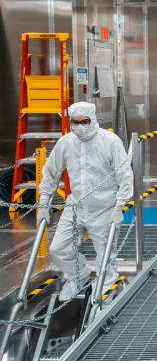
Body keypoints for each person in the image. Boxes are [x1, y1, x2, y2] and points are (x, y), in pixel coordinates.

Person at [38, 102, 133, 301]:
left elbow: (125, 175)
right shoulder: (66, 142)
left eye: (85, 122)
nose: (80, 126)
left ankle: (104, 292)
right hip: (75, 206)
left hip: (104, 208)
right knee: (58, 249)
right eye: (76, 122)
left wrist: (119, 206)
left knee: (105, 256)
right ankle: (78, 277)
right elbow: (50, 172)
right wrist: (44, 202)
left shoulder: (110, 141)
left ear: (93, 119)